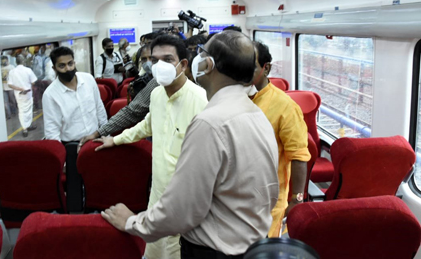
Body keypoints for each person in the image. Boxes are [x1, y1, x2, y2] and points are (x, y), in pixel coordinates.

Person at [101, 30, 279, 258]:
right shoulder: (256, 114)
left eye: (202, 53)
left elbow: (183, 209)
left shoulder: (209, 120)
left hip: (212, 248)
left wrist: (132, 223)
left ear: (208, 64)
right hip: (247, 240)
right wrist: (114, 139)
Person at [94, 34, 208, 259]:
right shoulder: (156, 94)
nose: (159, 66)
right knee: (154, 250)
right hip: (157, 193)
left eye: (167, 59)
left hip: (185, 200)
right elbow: (147, 125)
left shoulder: (201, 101)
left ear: (183, 65)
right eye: (155, 61)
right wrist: (115, 139)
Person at [250, 41, 310, 237]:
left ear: (266, 68)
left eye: (250, 66)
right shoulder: (232, 98)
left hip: (267, 202)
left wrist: (297, 199)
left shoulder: (285, 106)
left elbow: (299, 156)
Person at [79, 44, 157, 147]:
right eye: (144, 59)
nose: (148, 62)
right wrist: (100, 133)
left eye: (152, 59)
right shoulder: (155, 82)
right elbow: (132, 112)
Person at [42, 46, 107, 143]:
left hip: (95, 139)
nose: (68, 69)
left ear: (74, 63)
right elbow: (52, 131)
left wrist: (106, 134)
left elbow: (99, 108)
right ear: (54, 68)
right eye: (62, 66)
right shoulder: (50, 94)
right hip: (72, 145)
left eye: (70, 64)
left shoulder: (88, 79)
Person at [7, 55, 37, 137]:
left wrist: (19, 88)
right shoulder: (28, 70)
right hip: (28, 93)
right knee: (29, 109)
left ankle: (25, 128)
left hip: (19, 94)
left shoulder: (12, 72)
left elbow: (10, 84)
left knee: (21, 111)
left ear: (16, 62)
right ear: (23, 61)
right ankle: (27, 126)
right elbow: (34, 82)